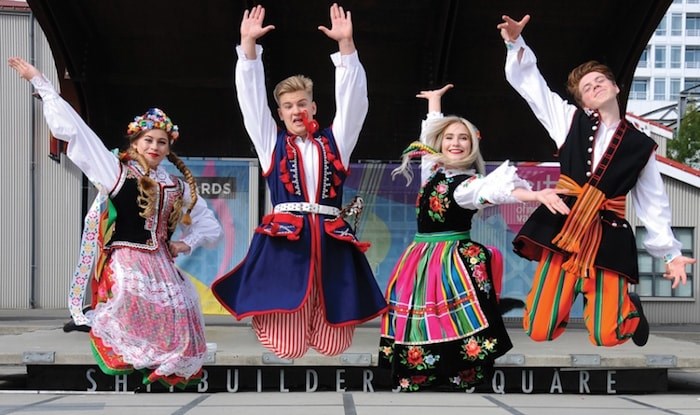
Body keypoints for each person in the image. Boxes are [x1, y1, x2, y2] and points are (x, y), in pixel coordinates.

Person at [8, 57, 223, 388]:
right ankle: (138, 369)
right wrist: (42, 84)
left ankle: (158, 376)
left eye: (161, 142)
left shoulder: (175, 185)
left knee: (182, 311)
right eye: (148, 140)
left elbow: (208, 226)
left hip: (163, 264)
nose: (154, 147)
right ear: (135, 142)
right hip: (127, 258)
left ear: (169, 148)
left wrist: (186, 242)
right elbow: (79, 133)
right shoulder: (118, 173)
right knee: (129, 300)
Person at [497, 14, 697, 348]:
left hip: (608, 236)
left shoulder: (640, 146)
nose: (595, 87)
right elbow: (534, 89)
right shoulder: (568, 121)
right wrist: (515, 43)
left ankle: (627, 308)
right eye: (587, 88)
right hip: (565, 229)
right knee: (538, 329)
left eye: (600, 81)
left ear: (616, 87)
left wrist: (671, 254)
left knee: (609, 335)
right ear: (583, 102)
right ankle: (575, 301)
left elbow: (652, 203)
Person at [211, 4, 387, 359]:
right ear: (280, 113)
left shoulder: (336, 141)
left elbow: (355, 105)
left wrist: (347, 49)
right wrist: (248, 49)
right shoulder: (270, 143)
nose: (296, 110)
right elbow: (250, 103)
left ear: (313, 107)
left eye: (302, 103)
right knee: (286, 348)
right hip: (287, 243)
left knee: (333, 345)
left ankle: (318, 311)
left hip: (330, 239)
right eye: (288, 105)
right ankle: (272, 312)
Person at [378, 84, 570, 392]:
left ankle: (461, 374)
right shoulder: (433, 170)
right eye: (450, 137)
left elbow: (499, 191)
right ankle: (417, 373)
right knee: (420, 316)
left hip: (450, 260)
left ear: (472, 147)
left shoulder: (470, 184)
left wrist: (534, 194)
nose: (455, 143)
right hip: (420, 256)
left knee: (455, 317)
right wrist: (435, 103)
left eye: (463, 138)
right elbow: (429, 135)